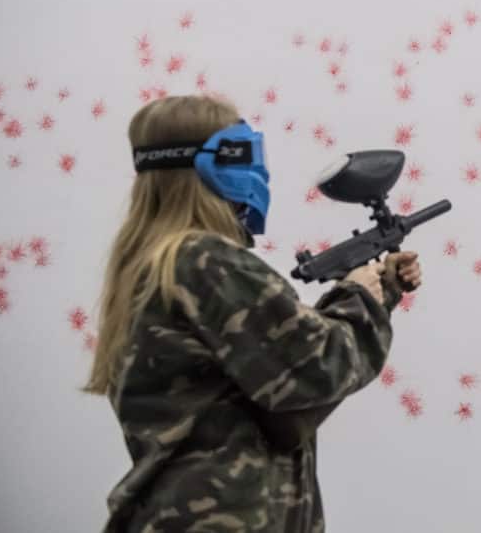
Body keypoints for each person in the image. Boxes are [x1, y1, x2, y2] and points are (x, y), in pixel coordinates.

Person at [81, 94, 421, 532]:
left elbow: (279, 394)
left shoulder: (158, 263)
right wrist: (362, 296)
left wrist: (379, 291)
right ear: (216, 165)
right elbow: (314, 368)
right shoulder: (203, 258)